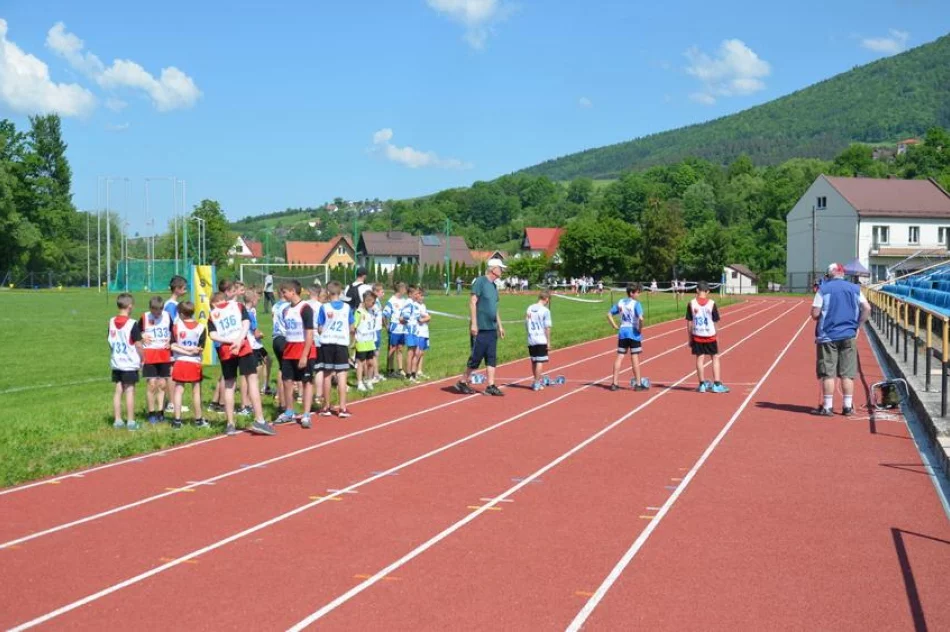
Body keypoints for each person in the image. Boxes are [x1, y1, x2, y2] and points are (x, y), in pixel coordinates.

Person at [207, 290, 274, 436]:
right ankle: (260, 420)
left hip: (226, 349)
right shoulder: (238, 306)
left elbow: (212, 335)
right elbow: (246, 324)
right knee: (252, 381)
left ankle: (230, 423)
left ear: (213, 303)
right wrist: (238, 339)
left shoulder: (213, 314)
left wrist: (229, 341)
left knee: (230, 385)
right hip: (243, 346)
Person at [811, 262, 871, 416]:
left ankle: (828, 407)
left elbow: (815, 314)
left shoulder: (823, 289)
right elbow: (867, 308)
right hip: (849, 334)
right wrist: (858, 325)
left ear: (830, 274)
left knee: (828, 373)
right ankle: (847, 407)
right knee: (847, 373)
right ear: (842, 274)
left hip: (828, 335)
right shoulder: (855, 288)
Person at [456, 258, 507, 396]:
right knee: (476, 357)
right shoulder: (480, 282)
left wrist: (500, 326)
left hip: (491, 327)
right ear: (493, 269)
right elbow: (472, 302)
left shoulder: (494, 286)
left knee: (492, 356)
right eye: (500, 268)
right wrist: (474, 323)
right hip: (481, 327)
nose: (502, 270)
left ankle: (490, 385)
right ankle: (462, 381)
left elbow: (494, 307)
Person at [274, 281, 317, 428]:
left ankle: (306, 414)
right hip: (289, 350)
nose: (283, 295)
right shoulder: (285, 310)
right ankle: (289, 411)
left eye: (284, 292)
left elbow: (310, 333)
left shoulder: (305, 309)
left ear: (292, 291)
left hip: (304, 350)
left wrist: (305, 355)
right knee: (287, 381)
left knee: (306, 382)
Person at [317, 281, 355, 418]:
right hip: (341, 343)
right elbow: (351, 327)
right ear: (340, 293)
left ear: (328, 293)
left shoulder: (324, 307)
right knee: (342, 374)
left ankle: (326, 407)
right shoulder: (347, 308)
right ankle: (343, 408)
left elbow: (320, 328)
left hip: (327, 343)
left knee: (327, 374)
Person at [169, 301, 209, 429]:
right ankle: (198, 420)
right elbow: (200, 348)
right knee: (196, 392)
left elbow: (172, 345)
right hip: (194, 362)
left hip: (180, 361)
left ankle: (177, 421)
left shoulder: (176, 326)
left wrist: (184, 351)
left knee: (178, 390)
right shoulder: (201, 328)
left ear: (181, 314)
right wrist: (190, 351)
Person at [686, 281, 729, 393]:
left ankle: (702, 385)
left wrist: (690, 337)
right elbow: (715, 322)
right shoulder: (712, 303)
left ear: (697, 290)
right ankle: (717, 384)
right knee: (715, 357)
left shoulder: (691, 303)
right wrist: (717, 335)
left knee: (700, 358)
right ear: (708, 291)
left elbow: (689, 323)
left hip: (697, 335)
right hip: (710, 335)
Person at [109, 293, 144, 431]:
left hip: (117, 361)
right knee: (130, 390)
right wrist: (142, 358)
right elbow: (138, 345)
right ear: (130, 306)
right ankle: (130, 421)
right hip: (129, 362)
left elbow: (110, 341)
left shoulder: (111, 321)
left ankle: (117, 420)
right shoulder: (132, 324)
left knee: (118, 390)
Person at [608, 283, 647, 392]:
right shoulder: (636, 304)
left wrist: (614, 325)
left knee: (620, 356)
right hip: (633, 332)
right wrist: (640, 329)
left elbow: (609, 314)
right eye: (637, 292)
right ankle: (638, 384)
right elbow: (641, 318)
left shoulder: (620, 302)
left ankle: (614, 383)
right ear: (631, 293)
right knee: (634, 357)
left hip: (623, 331)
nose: (639, 294)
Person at [141, 296, 173, 424]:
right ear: (150, 309)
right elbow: (137, 332)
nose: (157, 314)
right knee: (151, 384)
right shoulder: (144, 317)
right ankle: (151, 413)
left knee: (162, 384)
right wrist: (142, 336)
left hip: (164, 353)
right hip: (150, 353)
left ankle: (160, 412)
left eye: (159, 311)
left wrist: (171, 341)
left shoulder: (167, 316)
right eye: (155, 312)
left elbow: (173, 331)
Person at [163, 276, 189, 415]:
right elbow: (170, 324)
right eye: (184, 287)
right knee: (171, 373)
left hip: (174, 341)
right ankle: (172, 403)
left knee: (173, 372)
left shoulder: (173, 304)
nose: (186, 290)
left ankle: (172, 402)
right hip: (171, 342)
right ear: (178, 289)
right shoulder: (171, 306)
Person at [526, 290, 552, 391]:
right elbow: (547, 327)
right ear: (546, 299)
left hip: (531, 337)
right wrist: (548, 341)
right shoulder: (545, 311)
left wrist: (529, 333)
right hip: (541, 338)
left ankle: (536, 380)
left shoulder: (529, 308)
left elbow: (526, 322)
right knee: (539, 361)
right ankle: (537, 382)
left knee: (534, 360)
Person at [383, 282, 409, 377]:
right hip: (394, 329)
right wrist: (387, 326)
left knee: (400, 348)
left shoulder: (404, 300)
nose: (406, 290)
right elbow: (385, 314)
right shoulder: (391, 301)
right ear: (400, 289)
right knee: (392, 348)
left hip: (402, 329)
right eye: (405, 288)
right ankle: (390, 369)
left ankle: (400, 369)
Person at [354, 292, 378, 392]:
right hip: (361, 341)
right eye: (372, 302)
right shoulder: (359, 312)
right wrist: (353, 341)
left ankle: (368, 380)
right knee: (361, 363)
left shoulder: (371, 311)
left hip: (370, 341)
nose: (374, 304)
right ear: (366, 301)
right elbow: (354, 327)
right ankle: (360, 382)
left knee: (371, 362)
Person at [415, 290, 431, 379]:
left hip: (425, 331)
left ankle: (419, 370)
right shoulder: (415, 306)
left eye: (423, 296)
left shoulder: (423, 305)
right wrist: (427, 317)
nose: (422, 297)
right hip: (419, 332)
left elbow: (427, 318)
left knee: (422, 352)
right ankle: (414, 371)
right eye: (420, 296)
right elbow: (420, 320)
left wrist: (427, 317)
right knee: (418, 352)